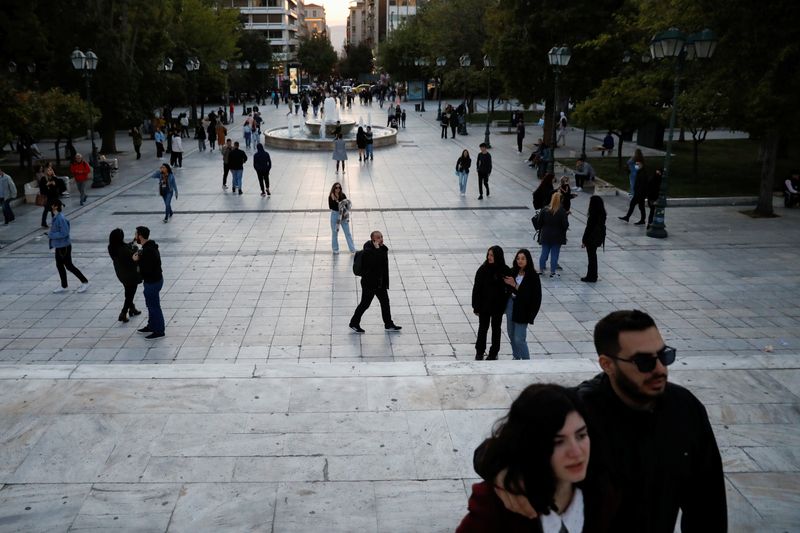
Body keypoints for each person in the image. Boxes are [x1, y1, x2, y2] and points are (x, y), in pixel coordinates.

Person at [475, 309, 727, 532]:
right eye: (645, 361)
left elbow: (707, 505)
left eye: (664, 355)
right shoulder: (581, 410)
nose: (660, 368)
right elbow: (490, 451)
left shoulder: (685, 409)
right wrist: (505, 472)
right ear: (607, 364)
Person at [458, 384, 616, 532]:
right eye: (558, 442)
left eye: (581, 435)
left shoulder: (604, 492)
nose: (576, 452)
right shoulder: (495, 508)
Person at [349, 231, 402, 333]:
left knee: (385, 302)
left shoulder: (382, 249)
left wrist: (379, 249)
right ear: (373, 240)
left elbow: (382, 265)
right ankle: (354, 323)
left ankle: (388, 324)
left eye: (381, 237)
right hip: (369, 283)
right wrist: (377, 249)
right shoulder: (368, 251)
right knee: (365, 304)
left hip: (379, 283)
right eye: (378, 237)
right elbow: (374, 263)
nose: (381, 239)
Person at [503, 249, 542, 359]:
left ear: (528, 260)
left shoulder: (532, 276)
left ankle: (526, 361)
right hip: (511, 305)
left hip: (523, 309)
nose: (520, 261)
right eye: (518, 258)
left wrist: (514, 285)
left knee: (519, 338)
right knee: (511, 333)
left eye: (523, 258)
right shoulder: (513, 271)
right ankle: (516, 356)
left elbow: (531, 295)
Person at [473, 246, 510, 361]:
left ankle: (494, 352)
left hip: (498, 306)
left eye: (492, 255)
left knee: (496, 329)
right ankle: (479, 351)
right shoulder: (483, 270)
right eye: (488, 254)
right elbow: (476, 289)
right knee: (483, 328)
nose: (489, 257)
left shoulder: (504, 270)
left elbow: (509, 289)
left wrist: (505, 305)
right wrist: (476, 307)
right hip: (484, 306)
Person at [48, 200, 89, 294]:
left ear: (55, 207)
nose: (50, 207)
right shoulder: (56, 217)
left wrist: (51, 235)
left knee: (69, 266)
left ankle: (84, 282)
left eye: (51, 205)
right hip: (60, 246)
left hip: (64, 247)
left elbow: (65, 233)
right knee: (59, 265)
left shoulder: (60, 218)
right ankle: (64, 285)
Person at [132, 226, 165, 339]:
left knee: (154, 306)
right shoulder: (149, 247)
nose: (135, 236)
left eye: (136, 234)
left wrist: (137, 261)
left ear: (140, 236)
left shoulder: (148, 251)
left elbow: (146, 269)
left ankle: (159, 330)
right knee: (151, 305)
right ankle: (151, 326)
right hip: (154, 281)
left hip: (152, 282)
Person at [108, 228, 142, 323]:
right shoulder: (123, 249)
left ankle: (132, 308)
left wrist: (132, 242)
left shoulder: (112, 247)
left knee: (128, 291)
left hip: (121, 273)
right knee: (130, 294)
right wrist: (135, 246)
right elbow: (133, 256)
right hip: (130, 274)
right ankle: (123, 313)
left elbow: (126, 246)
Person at [538, 192, 569, 278]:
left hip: (546, 234)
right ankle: (552, 272)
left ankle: (541, 269)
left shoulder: (545, 209)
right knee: (555, 254)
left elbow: (539, 222)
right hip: (557, 236)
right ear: (561, 200)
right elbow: (565, 225)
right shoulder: (562, 211)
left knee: (544, 252)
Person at [581, 196, 606, 283]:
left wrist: (584, 240)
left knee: (591, 258)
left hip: (591, 239)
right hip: (598, 238)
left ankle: (591, 276)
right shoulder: (602, 214)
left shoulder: (593, 215)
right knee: (593, 257)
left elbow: (588, 229)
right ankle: (593, 275)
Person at [328, 182, 356, 254]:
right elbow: (331, 207)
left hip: (343, 215)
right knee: (334, 233)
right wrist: (337, 202)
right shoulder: (331, 197)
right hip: (335, 215)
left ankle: (352, 249)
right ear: (334, 188)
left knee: (347, 233)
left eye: (339, 187)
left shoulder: (343, 195)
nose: (338, 189)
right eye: (336, 187)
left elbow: (347, 205)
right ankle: (335, 249)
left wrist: (341, 205)